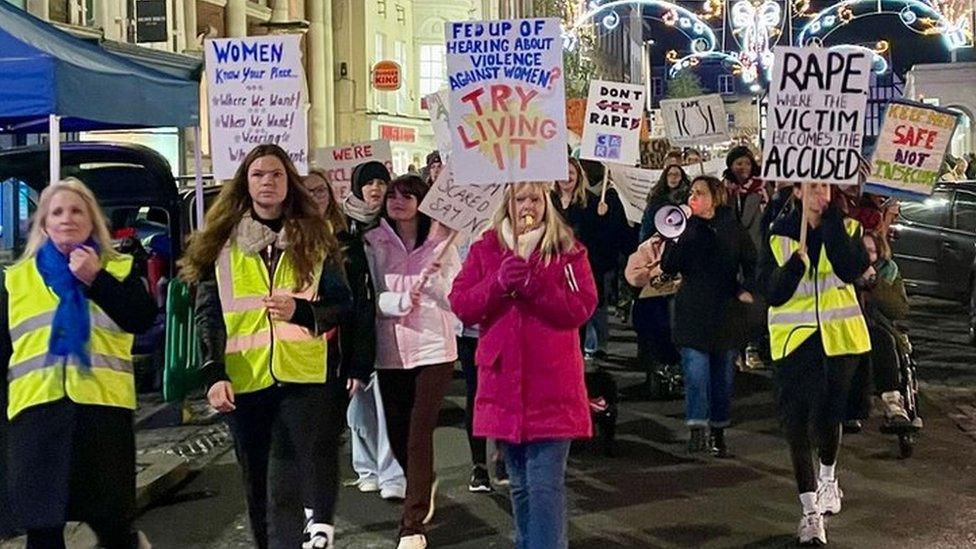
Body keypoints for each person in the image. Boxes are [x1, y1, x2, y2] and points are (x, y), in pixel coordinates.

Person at [182, 144, 352, 549]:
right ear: (246, 183)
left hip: (300, 380)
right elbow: (208, 314)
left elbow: (341, 304)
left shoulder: (314, 235)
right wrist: (214, 373)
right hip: (245, 381)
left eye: (276, 174)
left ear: (288, 182)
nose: (267, 182)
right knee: (257, 484)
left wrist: (301, 312)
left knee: (285, 483)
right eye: (258, 175)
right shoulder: (221, 242)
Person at [1, 178, 157, 548]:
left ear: (93, 221)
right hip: (37, 414)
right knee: (42, 528)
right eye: (57, 212)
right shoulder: (17, 279)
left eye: (76, 211)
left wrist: (96, 279)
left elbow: (141, 318)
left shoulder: (118, 268)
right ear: (44, 224)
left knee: (111, 524)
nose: (66, 218)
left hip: (101, 414)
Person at [449, 181, 597, 549]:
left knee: (545, 486)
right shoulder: (487, 248)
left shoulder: (566, 249)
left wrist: (534, 286)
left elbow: (581, 307)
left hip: (552, 383)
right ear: (507, 203)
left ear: (546, 202)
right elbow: (463, 303)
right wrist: (498, 284)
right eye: (520, 198)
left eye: (535, 198)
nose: (527, 205)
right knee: (519, 485)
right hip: (503, 384)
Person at [759, 182, 872, 546]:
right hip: (795, 343)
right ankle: (809, 512)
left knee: (828, 419)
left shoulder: (847, 227)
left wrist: (834, 223)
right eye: (810, 188)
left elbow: (851, 267)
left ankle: (828, 476)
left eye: (824, 186)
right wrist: (794, 267)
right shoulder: (778, 234)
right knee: (796, 423)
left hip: (841, 341)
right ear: (796, 192)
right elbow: (771, 293)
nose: (818, 194)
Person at [363, 174, 460, 549]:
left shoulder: (442, 241)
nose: (398, 201)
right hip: (389, 351)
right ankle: (422, 480)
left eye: (408, 195)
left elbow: (458, 296)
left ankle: (412, 523)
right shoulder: (372, 242)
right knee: (398, 432)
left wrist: (435, 283)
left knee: (420, 432)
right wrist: (390, 303)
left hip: (434, 347)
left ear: (423, 202)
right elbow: (368, 294)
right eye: (392, 195)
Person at [660, 176, 757, 456]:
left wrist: (747, 289)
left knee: (721, 377)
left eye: (700, 193)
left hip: (724, 311)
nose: (693, 197)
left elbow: (751, 262)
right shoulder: (684, 227)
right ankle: (697, 430)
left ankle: (718, 430)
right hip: (693, 310)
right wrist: (676, 236)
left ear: (715, 198)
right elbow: (668, 264)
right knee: (695, 373)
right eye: (691, 192)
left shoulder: (733, 229)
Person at [340, 160, 407, 501]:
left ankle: (391, 473)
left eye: (382, 182)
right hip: (353, 323)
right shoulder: (341, 225)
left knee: (387, 402)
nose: (376, 189)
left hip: (388, 319)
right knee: (357, 404)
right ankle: (365, 467)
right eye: (369, 183)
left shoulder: (393, 222)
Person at [628, 165, 690, 398]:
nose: (674, 178)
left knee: (677, 323)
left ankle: (677, 369)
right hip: (657, 271)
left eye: (678, 174)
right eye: (670, 174)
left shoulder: (689, 203)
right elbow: (644, 234)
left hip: (680, 272)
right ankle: (657, 368)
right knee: (655, 322)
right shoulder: (655, 204)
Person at [858, 231, 913, 429]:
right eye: (862, 251)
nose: (866, 256)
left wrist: (874, 283)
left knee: (883, 341)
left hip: (880, 327)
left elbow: (897, 309)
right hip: (851, 327)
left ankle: (892, 401)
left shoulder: (888, 272)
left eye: (871, 251)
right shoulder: (845, 270)